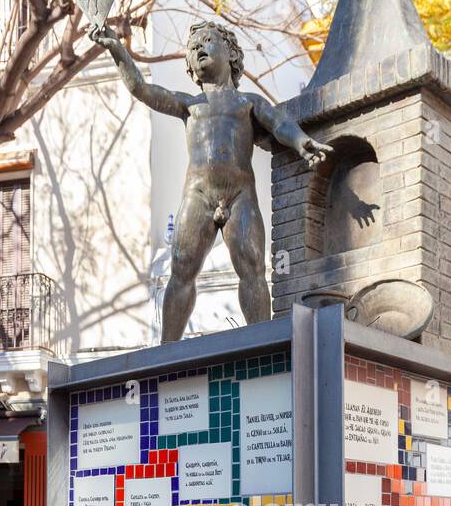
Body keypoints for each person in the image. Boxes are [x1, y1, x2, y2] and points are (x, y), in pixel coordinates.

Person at [90, 19, 332, 342]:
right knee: (181, 272)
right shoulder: (190, 105)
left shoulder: (248, 103)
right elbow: (141, 89)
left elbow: (278, 123)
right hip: (198, 195)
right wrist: (118, 50)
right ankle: (167, 350)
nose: (198, 48)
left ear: (231, 54)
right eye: (192, 49)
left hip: (240, 195)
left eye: (206, 41)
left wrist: (300, 140)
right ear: (190, 67)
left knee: (253, 271)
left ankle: (263, 345)